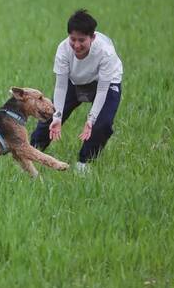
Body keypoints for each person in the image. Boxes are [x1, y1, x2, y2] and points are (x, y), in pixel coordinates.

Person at [30, 9, 123, 172]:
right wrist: (57, 115)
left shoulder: (105, 52)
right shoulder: (63, 49)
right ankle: (31, 154)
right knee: (49, 119)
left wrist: (91, 119)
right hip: (75, 82)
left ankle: (84, 163)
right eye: (73, 39)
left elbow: (102, 90)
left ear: (92, 37)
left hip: (105, 84)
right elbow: (60, 85)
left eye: (82, 40)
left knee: (103, 124)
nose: (77, 45)